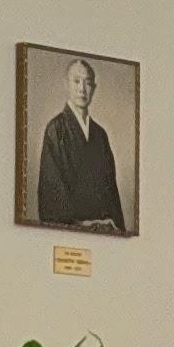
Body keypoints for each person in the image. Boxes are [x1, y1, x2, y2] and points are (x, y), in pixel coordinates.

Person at [31, 55, 126, 234]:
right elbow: (51, 187)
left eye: (87, 83)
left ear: (94, 88)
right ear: (67, 84)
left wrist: (115, 227)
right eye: (76, 81)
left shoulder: (100, 135)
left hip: (103, 230)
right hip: (71, 229)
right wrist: (78, 224)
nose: (82, 89)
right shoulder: (56, 129)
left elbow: (110, 189)